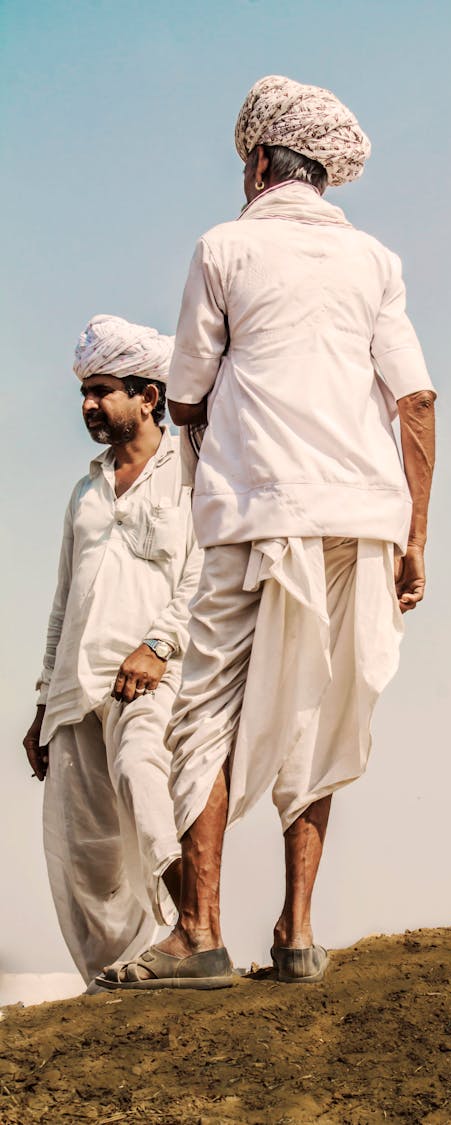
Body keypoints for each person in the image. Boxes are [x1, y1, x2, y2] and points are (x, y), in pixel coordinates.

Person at [97, 75, 436, 990]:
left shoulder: (224, 246)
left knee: (205, 713)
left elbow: (189, 387)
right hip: (365, 516)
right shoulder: (377, 259)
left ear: (256, 165)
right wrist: (415, 537)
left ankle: (201, 931)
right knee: (323, 710)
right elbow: (414, 400)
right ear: (321, 175)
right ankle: (297, 930)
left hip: (257, 513)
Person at [23, 315, 201, 985]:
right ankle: (117, 983)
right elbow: (63, 602)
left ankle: (199, 935)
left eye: (102, 391)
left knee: (142, 780)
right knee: (84, 852)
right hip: (77, 683)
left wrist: (158, 642)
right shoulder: (85, 492)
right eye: (85, 394)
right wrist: (44, 702)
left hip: (152, 674)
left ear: (149, 395)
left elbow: (206, 569)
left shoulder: (192, 469)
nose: (89, 406)